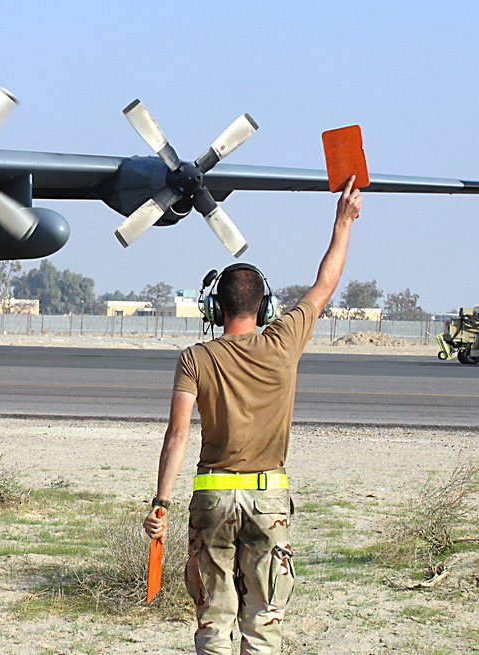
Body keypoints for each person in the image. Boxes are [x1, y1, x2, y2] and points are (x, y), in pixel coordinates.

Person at [143, 177, 363, 655]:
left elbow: (177, 437)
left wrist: (160, 504)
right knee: (264, 624)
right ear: (265, 307)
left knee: (213, 621)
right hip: (269, 501)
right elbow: (325, 283)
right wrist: (343, 222)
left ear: (213, 307)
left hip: (212, 501)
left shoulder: (194, 359)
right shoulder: (283, 341)